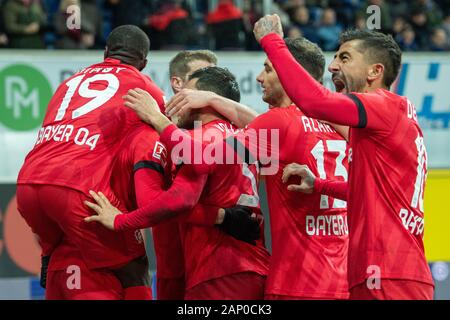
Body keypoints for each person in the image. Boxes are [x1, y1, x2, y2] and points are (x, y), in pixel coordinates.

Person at [153, 37, 350, 299]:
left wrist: (155, 119)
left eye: (268, 69)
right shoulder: (343, 127)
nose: (259, 77)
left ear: (290, 74)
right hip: (343, 282)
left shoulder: (277, 123)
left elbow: (203, 158)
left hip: (295, 282)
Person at [253, 14, 434, 299]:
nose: (334, 65)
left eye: (345, 58)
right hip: (387, 271)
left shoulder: (382, 106)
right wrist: (321, 185)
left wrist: (272, 41)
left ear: (375, 71)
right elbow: (371, 192)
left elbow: (315, 101)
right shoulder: (388, 120)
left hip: (388, 271)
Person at [85, 66, 270, 300]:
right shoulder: (245, 135)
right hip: (254, 267)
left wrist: (121, 221)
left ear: (202, 100)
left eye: (185, 95)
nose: (174, 101)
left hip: (218, 270)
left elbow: (178, 200)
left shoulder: (198, 138)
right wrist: (223, 216)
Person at [16, 25, 164, 300]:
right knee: (135, 266)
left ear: (106, 52)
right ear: (143, 62)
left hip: (28, 183)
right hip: (76, 187)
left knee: (60, 250)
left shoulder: (69, 82)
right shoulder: (142, 85)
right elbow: (169, 126)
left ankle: (48, 261)